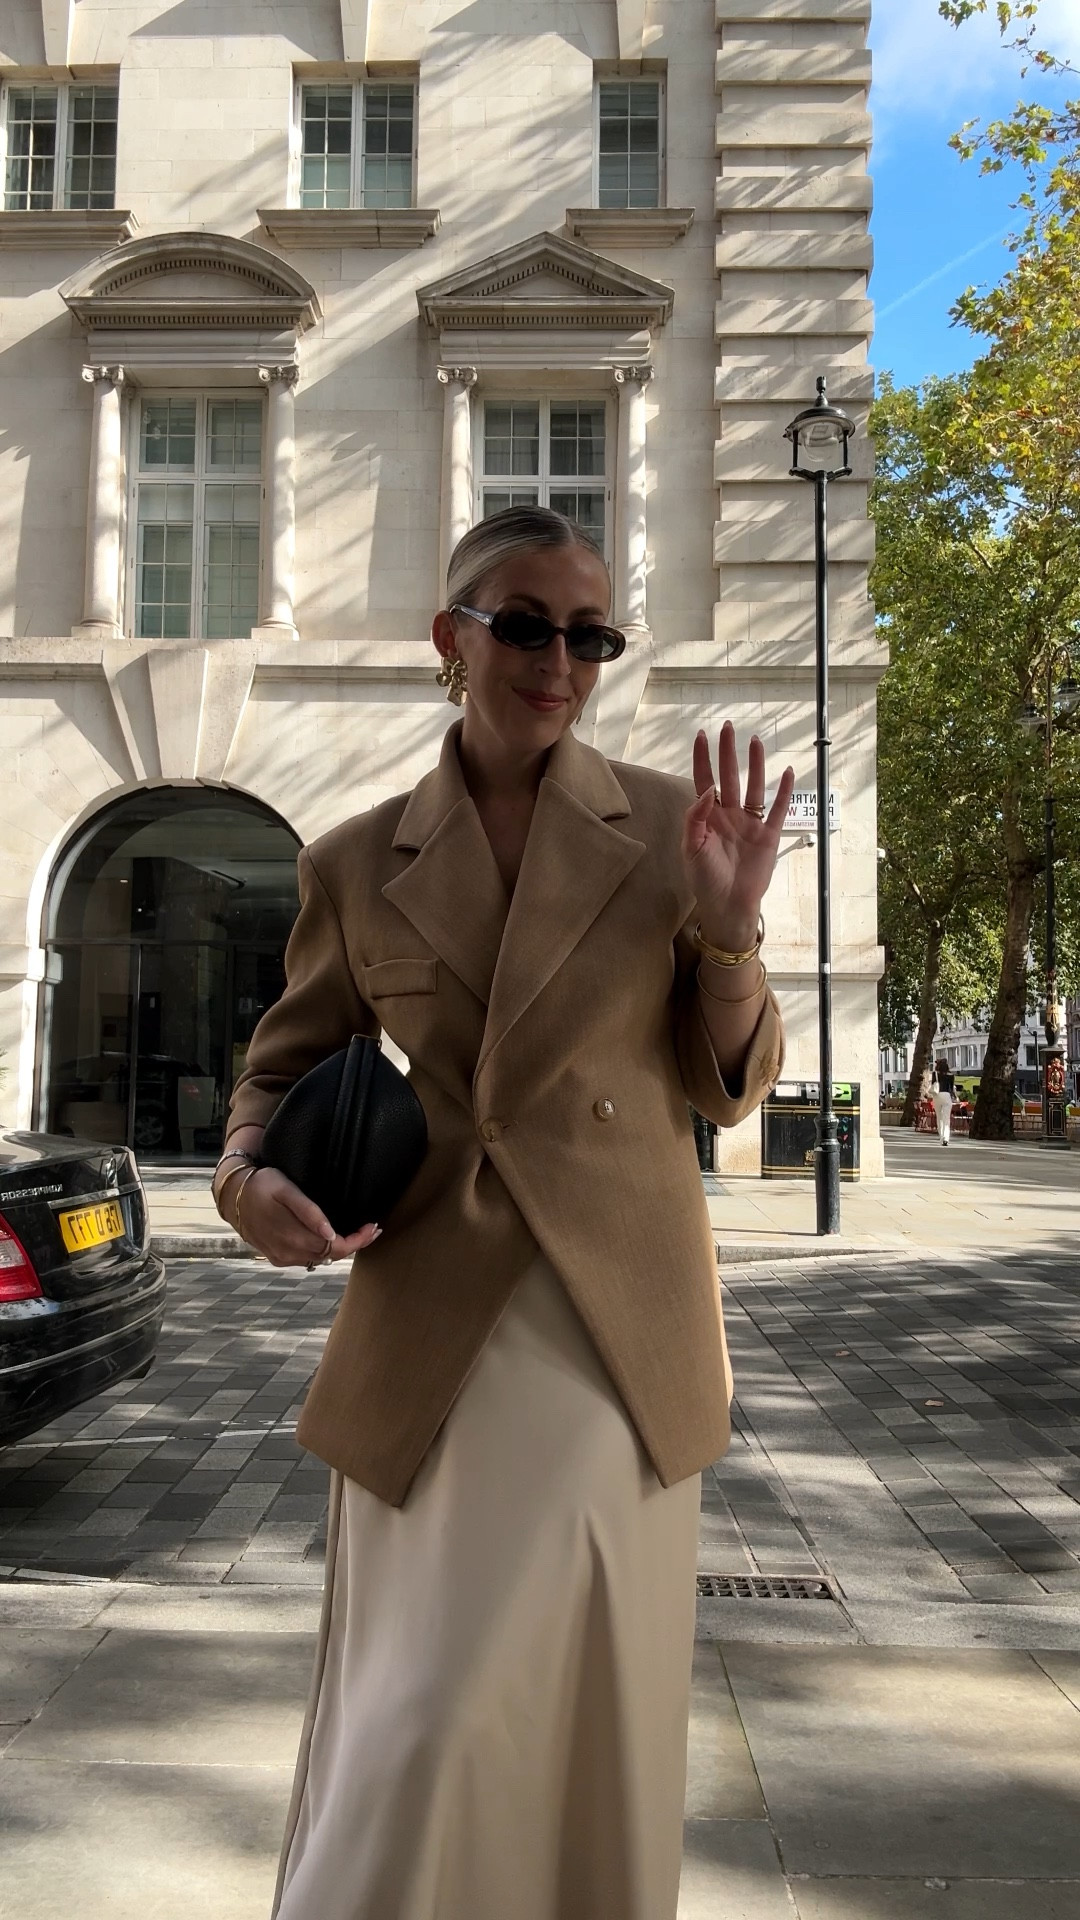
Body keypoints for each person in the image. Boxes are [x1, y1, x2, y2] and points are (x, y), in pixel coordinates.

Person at [211, 506, 793, 1920]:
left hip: (615, 1337)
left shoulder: (672, 825)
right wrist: (250, 1186)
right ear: (449, 637)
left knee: (579, 1720)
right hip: (431, 1331)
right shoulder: (352, 859)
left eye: (589, 635)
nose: (561, 660)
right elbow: (273, 1077)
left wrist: (728, 930)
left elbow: (732, 1089)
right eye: (526, 625)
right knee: (420, 1722)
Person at [931, 1056, 955, 1145]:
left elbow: (933, 1084)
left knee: (939, 1117)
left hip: (937, 1096)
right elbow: (951, 1088)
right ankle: (946, 1137)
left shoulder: (935, 1074)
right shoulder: (951, 1075)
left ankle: (941, 1137)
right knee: (946, 1118)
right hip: (947, 1095)